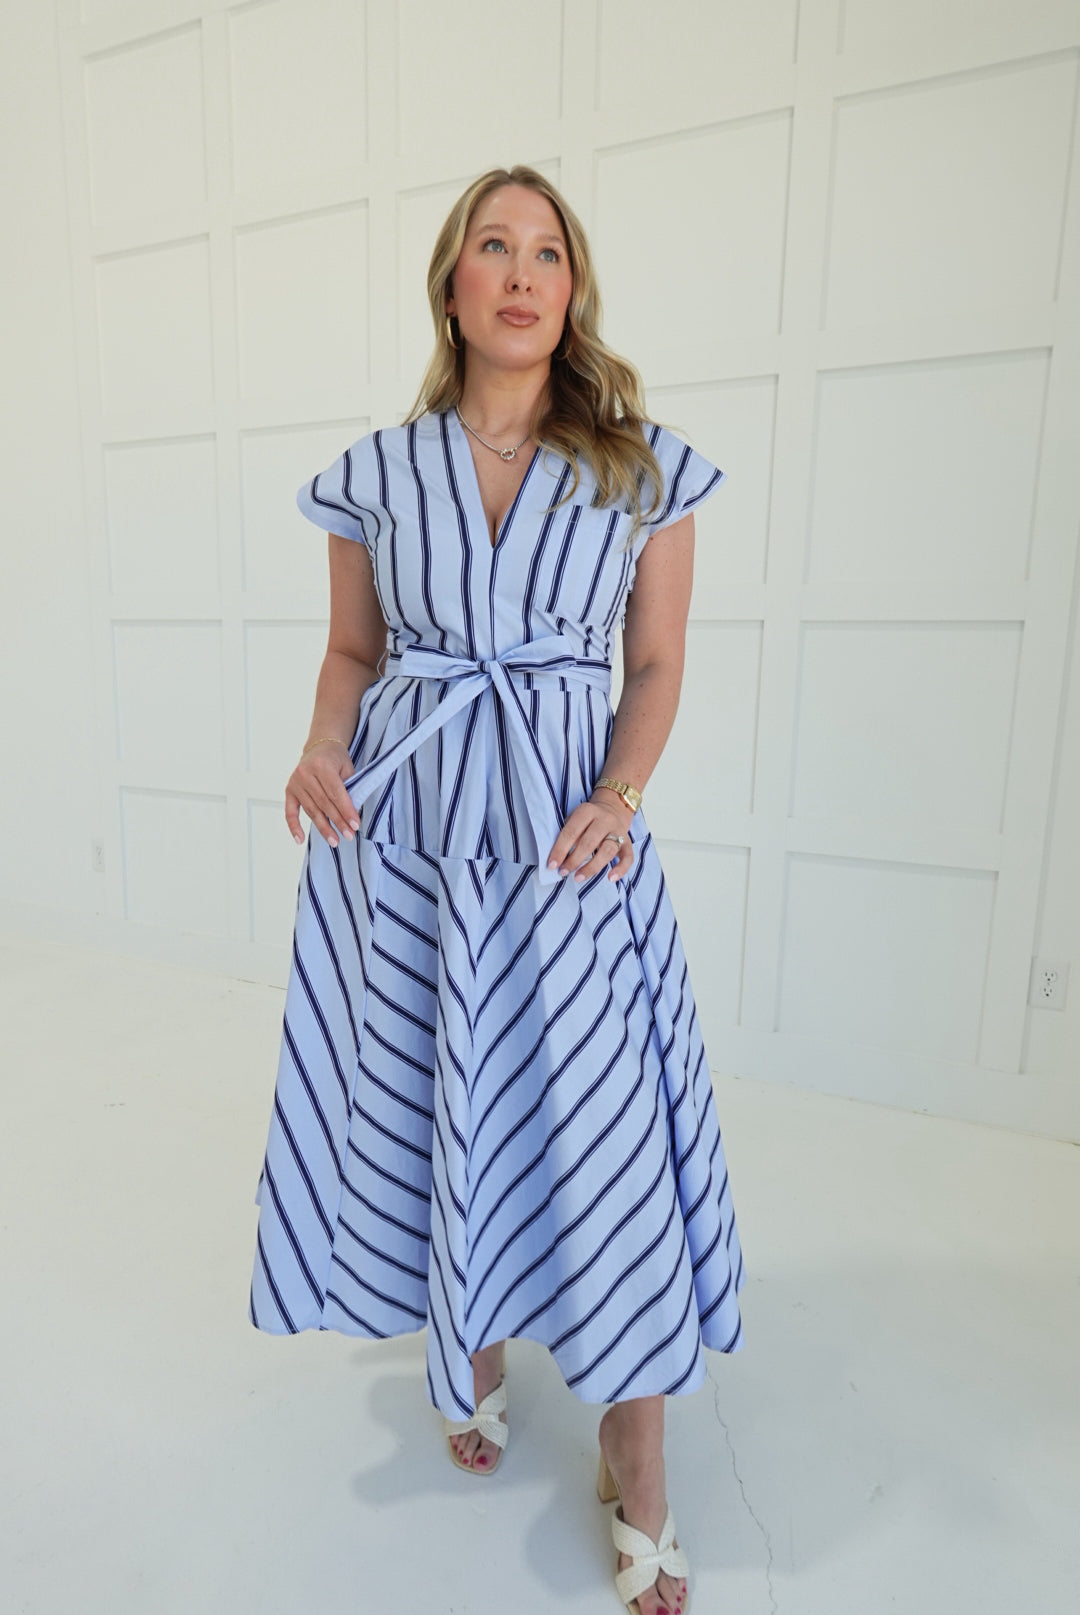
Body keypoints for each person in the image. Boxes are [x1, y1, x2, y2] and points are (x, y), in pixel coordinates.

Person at [248, 163, 746, 1615]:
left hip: (566, 838)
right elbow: (354, 654)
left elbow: (655, 665)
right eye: (493, 246)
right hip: (408, 832)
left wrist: (621, 797)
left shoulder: (641, 468)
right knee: (434, 1090)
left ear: (571, 293)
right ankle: (465, 1336)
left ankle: (637, 1457)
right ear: (452, 286)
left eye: (547, 253)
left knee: (602, 1124)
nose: (522, 273)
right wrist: (321, 747)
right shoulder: (376, 473)